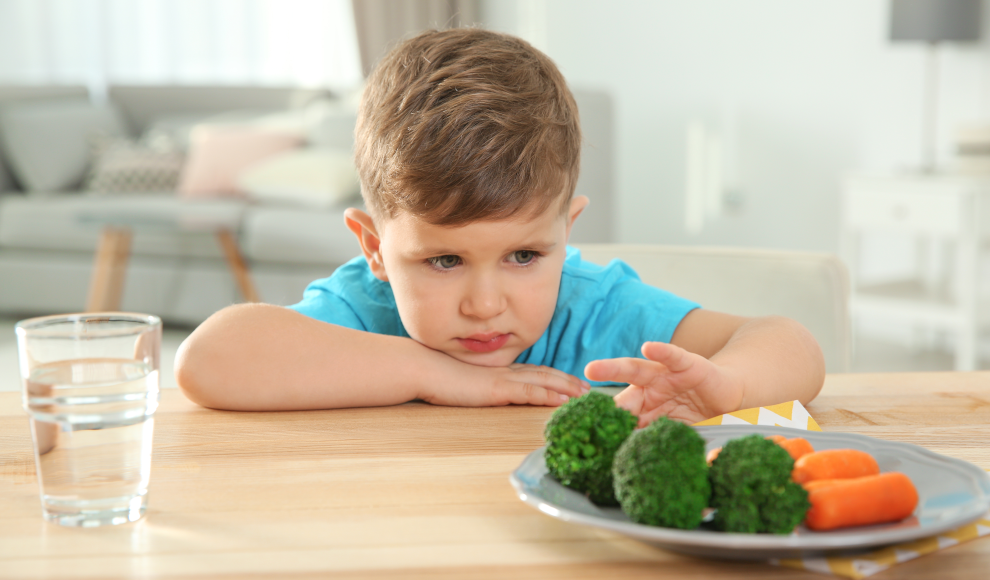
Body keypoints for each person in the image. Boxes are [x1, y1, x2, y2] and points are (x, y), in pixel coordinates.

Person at [175, 28, 824, 425]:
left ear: (566, 234)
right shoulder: (366, 311)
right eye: (444, 261)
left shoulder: (593, 312)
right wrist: (435, 374)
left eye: (523, 257)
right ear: (375, 247)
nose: (485, 305)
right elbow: (208, 359)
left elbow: (788, 343)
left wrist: (729, 385)